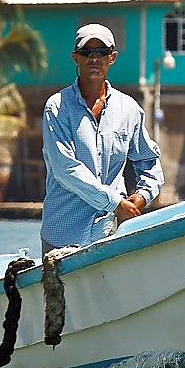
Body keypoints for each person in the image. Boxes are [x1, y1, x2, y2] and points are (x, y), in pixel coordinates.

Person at [40, 23, 164, 252]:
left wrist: (142, 196)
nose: (94, 58)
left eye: (102, 52)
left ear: (112, 57)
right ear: (75, 58)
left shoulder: (129, 108)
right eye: (87, 52)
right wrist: (116, 203)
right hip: (63, 234)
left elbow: (149, 162)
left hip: (110, 234)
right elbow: (65, 169)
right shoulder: (57, 107)